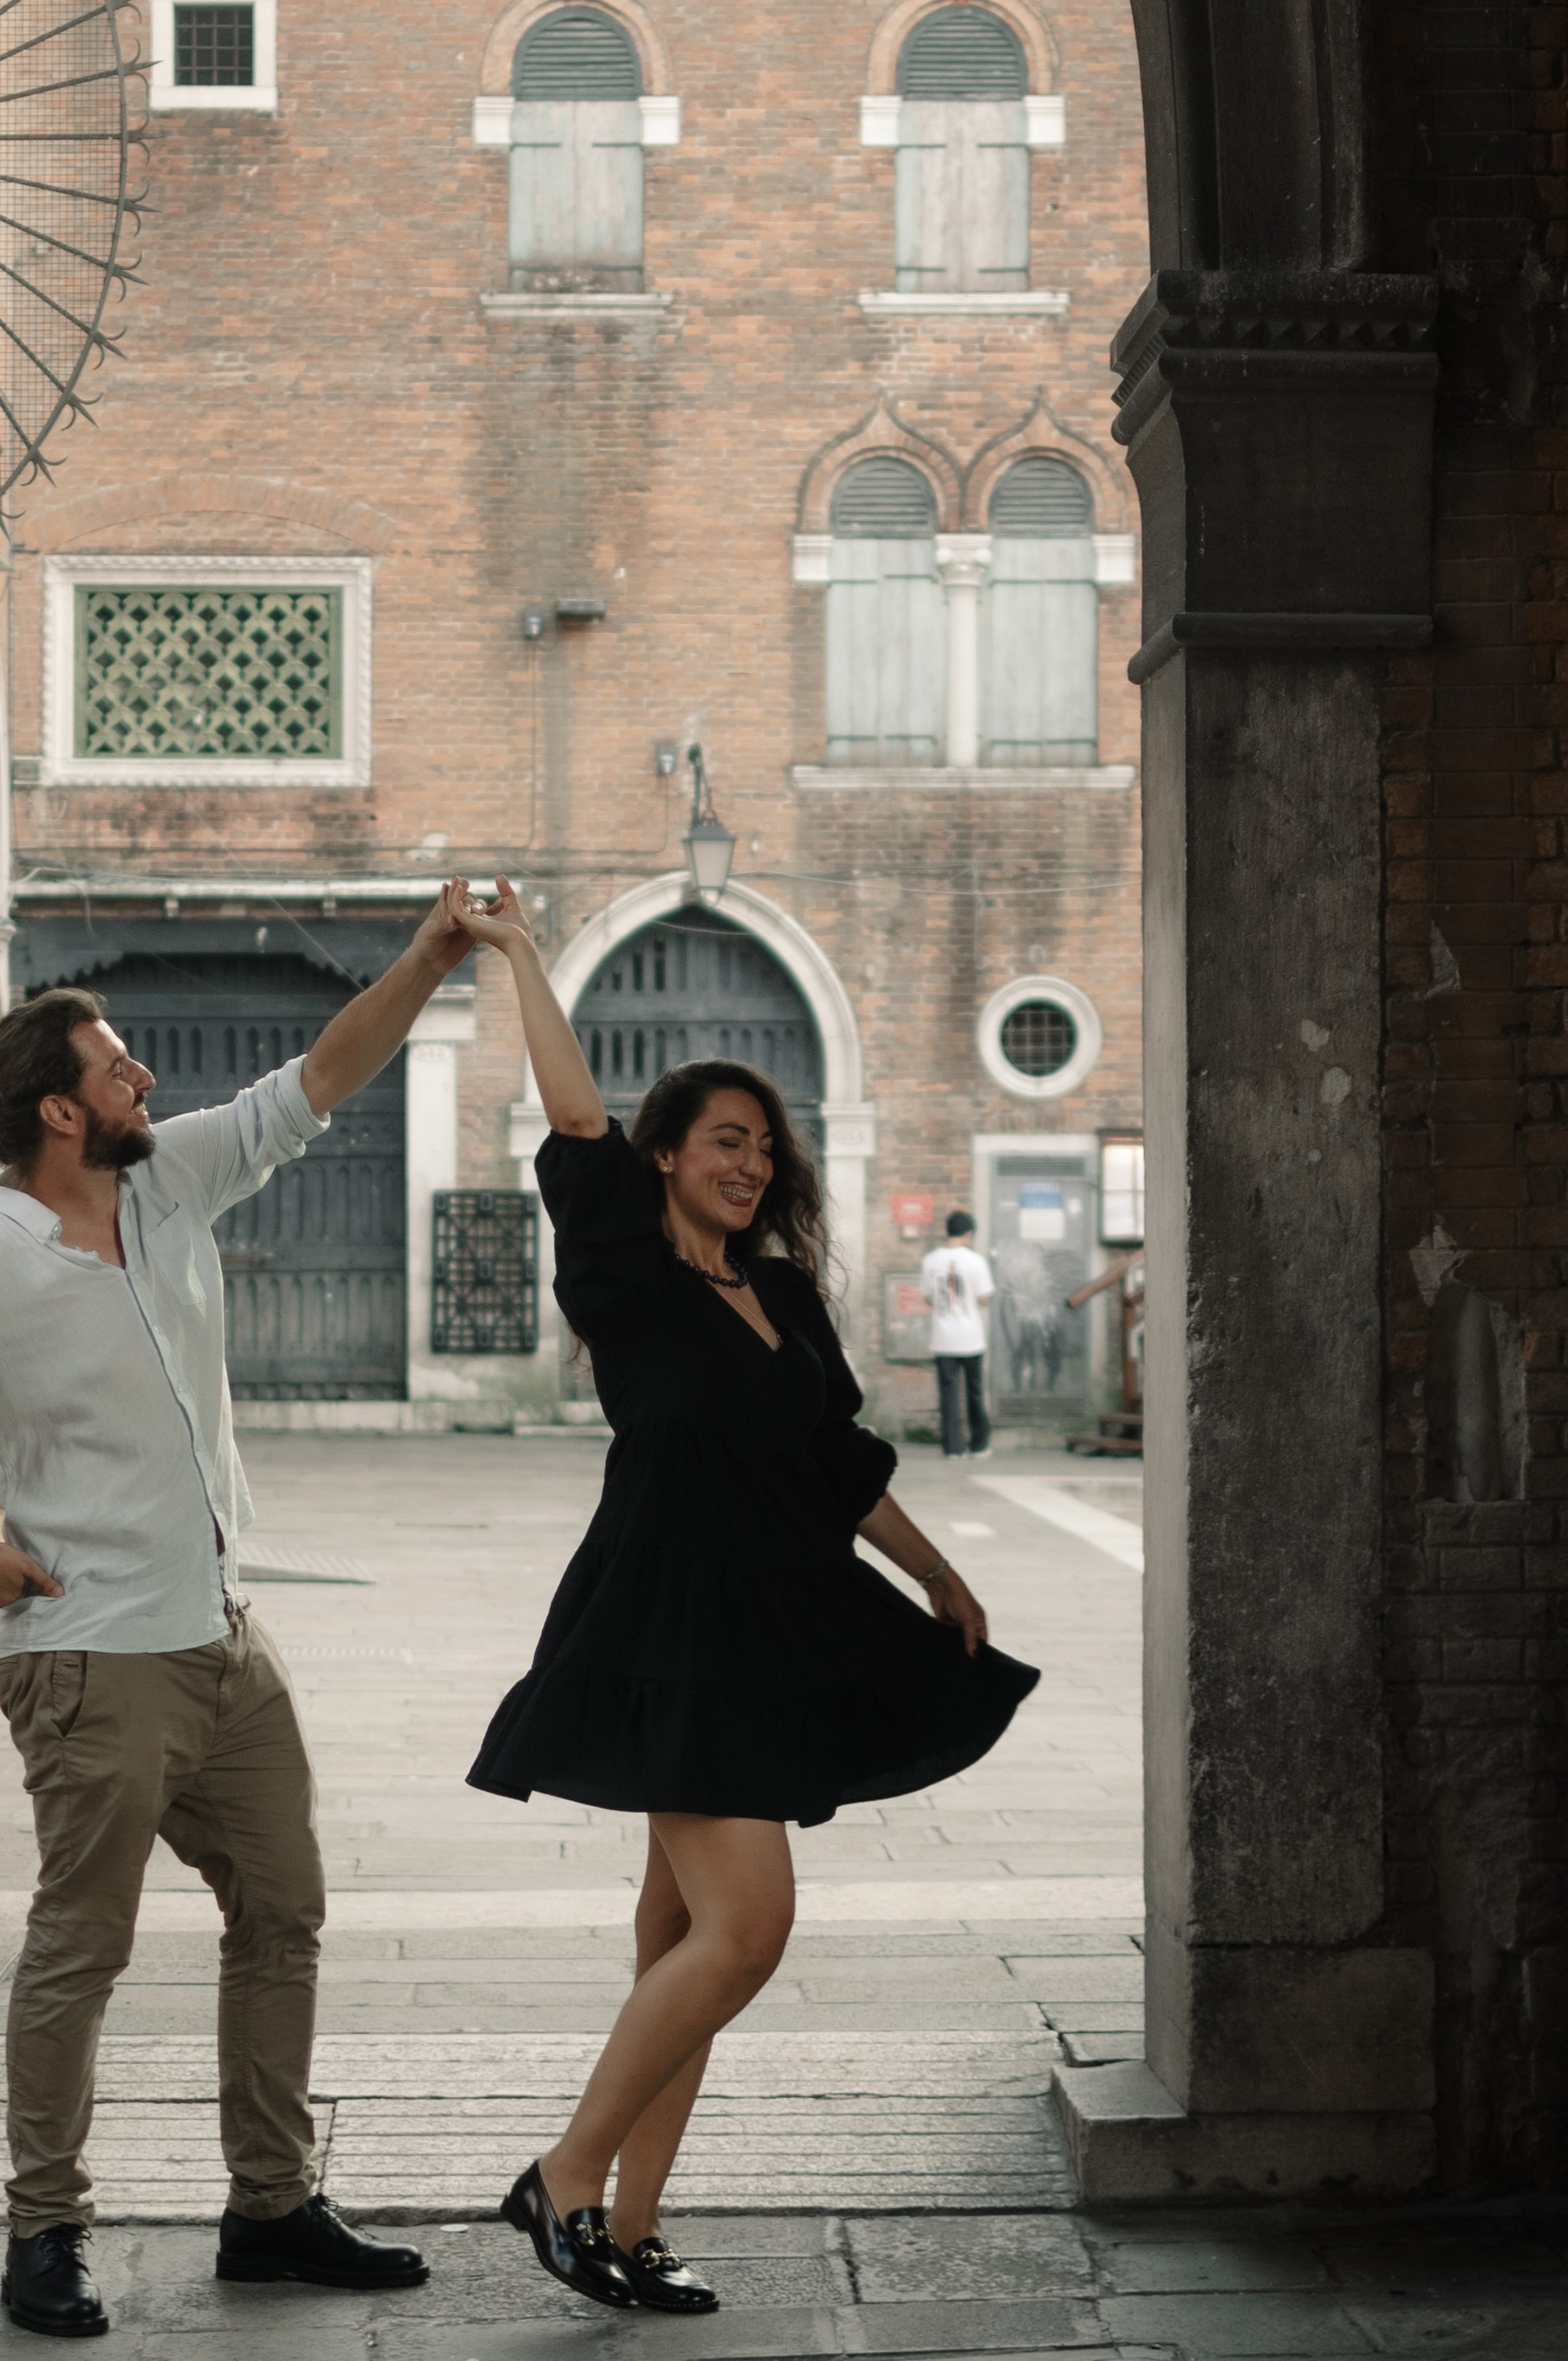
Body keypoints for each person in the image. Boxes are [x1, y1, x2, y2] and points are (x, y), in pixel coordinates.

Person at [0, 889, 482, 2338]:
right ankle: (44, 2233)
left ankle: (271, 2209)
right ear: (61, 1113)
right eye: (119, 1070)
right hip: (91, 1662)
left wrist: (426, 959)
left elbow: (319, 1078)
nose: (145, 1078)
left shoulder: (166, 1183)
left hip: (221, 1640)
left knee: (285, 1908)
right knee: (82, 1947)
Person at [457, 881, 1038, 2318]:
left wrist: (937, 1570)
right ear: (663, 1154)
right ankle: (563, 2177)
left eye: (766, 1147)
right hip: (668, 1623)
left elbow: (834, 1462)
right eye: (725, 1139)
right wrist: (520, 952)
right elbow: (573, 1114)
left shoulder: (783, 1294)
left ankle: (633, 2223)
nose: (751, 1163)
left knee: (681, 1949)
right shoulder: (625, 1272)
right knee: (747, 1928)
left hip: (776, 1625)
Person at [921, 1210, 996, 1460]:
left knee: (948, 1394)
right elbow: (984, 1298)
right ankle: (979, 1445)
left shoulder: (930, 1261)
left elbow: (928, 1297)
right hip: (971, 1338)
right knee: (975, 1391)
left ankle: (953, 1448)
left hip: (943, 1338)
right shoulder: (976, 1261)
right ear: (969, 1234)